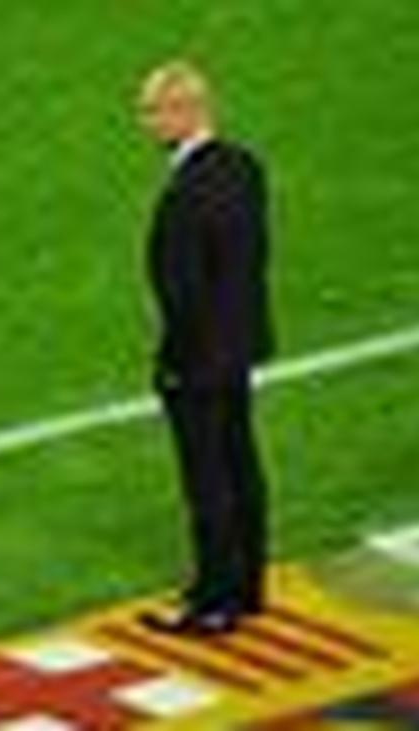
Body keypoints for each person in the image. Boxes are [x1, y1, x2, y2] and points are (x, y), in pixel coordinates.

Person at [135, 59, 277, 636]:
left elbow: (183, 290)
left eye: (154, 111)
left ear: (187, 111)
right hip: (239, 344)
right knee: (240, 463)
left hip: (197, 356)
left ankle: (213, 600)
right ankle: (247, 586)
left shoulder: (186, 191)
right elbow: (250, 260)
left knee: (208, 480)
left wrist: (173, 360)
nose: (146, 123)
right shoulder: (244, 166)